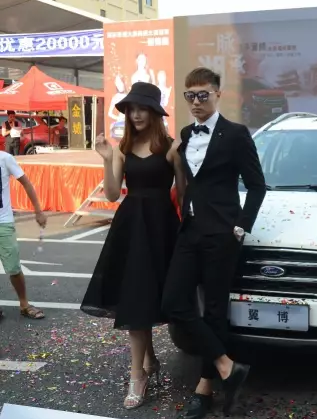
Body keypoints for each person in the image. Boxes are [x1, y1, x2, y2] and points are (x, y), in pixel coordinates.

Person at [161, 67, 267, 418]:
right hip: (191, 230)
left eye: (202, 95)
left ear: (217, 94)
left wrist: (241, 227)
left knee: (215, 311)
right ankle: (226, 365)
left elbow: (257, 186)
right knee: (174, 302)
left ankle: (204, 388)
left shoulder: (236, 134)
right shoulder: (185, 133)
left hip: (222, 234)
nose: (195, 102)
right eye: (190, 96)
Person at [80, 82, 184, 409]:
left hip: (161, 229)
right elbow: (112, 194)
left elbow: (183, 198)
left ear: (154, 112)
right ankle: (138, 374)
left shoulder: (171, 147)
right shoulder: (123, 147)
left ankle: (148, 363)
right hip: (130, 228)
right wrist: (106, 157)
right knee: (137, 298)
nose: (135, 114)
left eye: (141, 109)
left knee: (149, 299)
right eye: (130, 109)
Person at [0, 149, 47, 321]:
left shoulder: (5, 158)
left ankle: (24, 304)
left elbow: (26, 183)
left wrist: (38, 211)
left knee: (13, 268)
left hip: (3, 223)